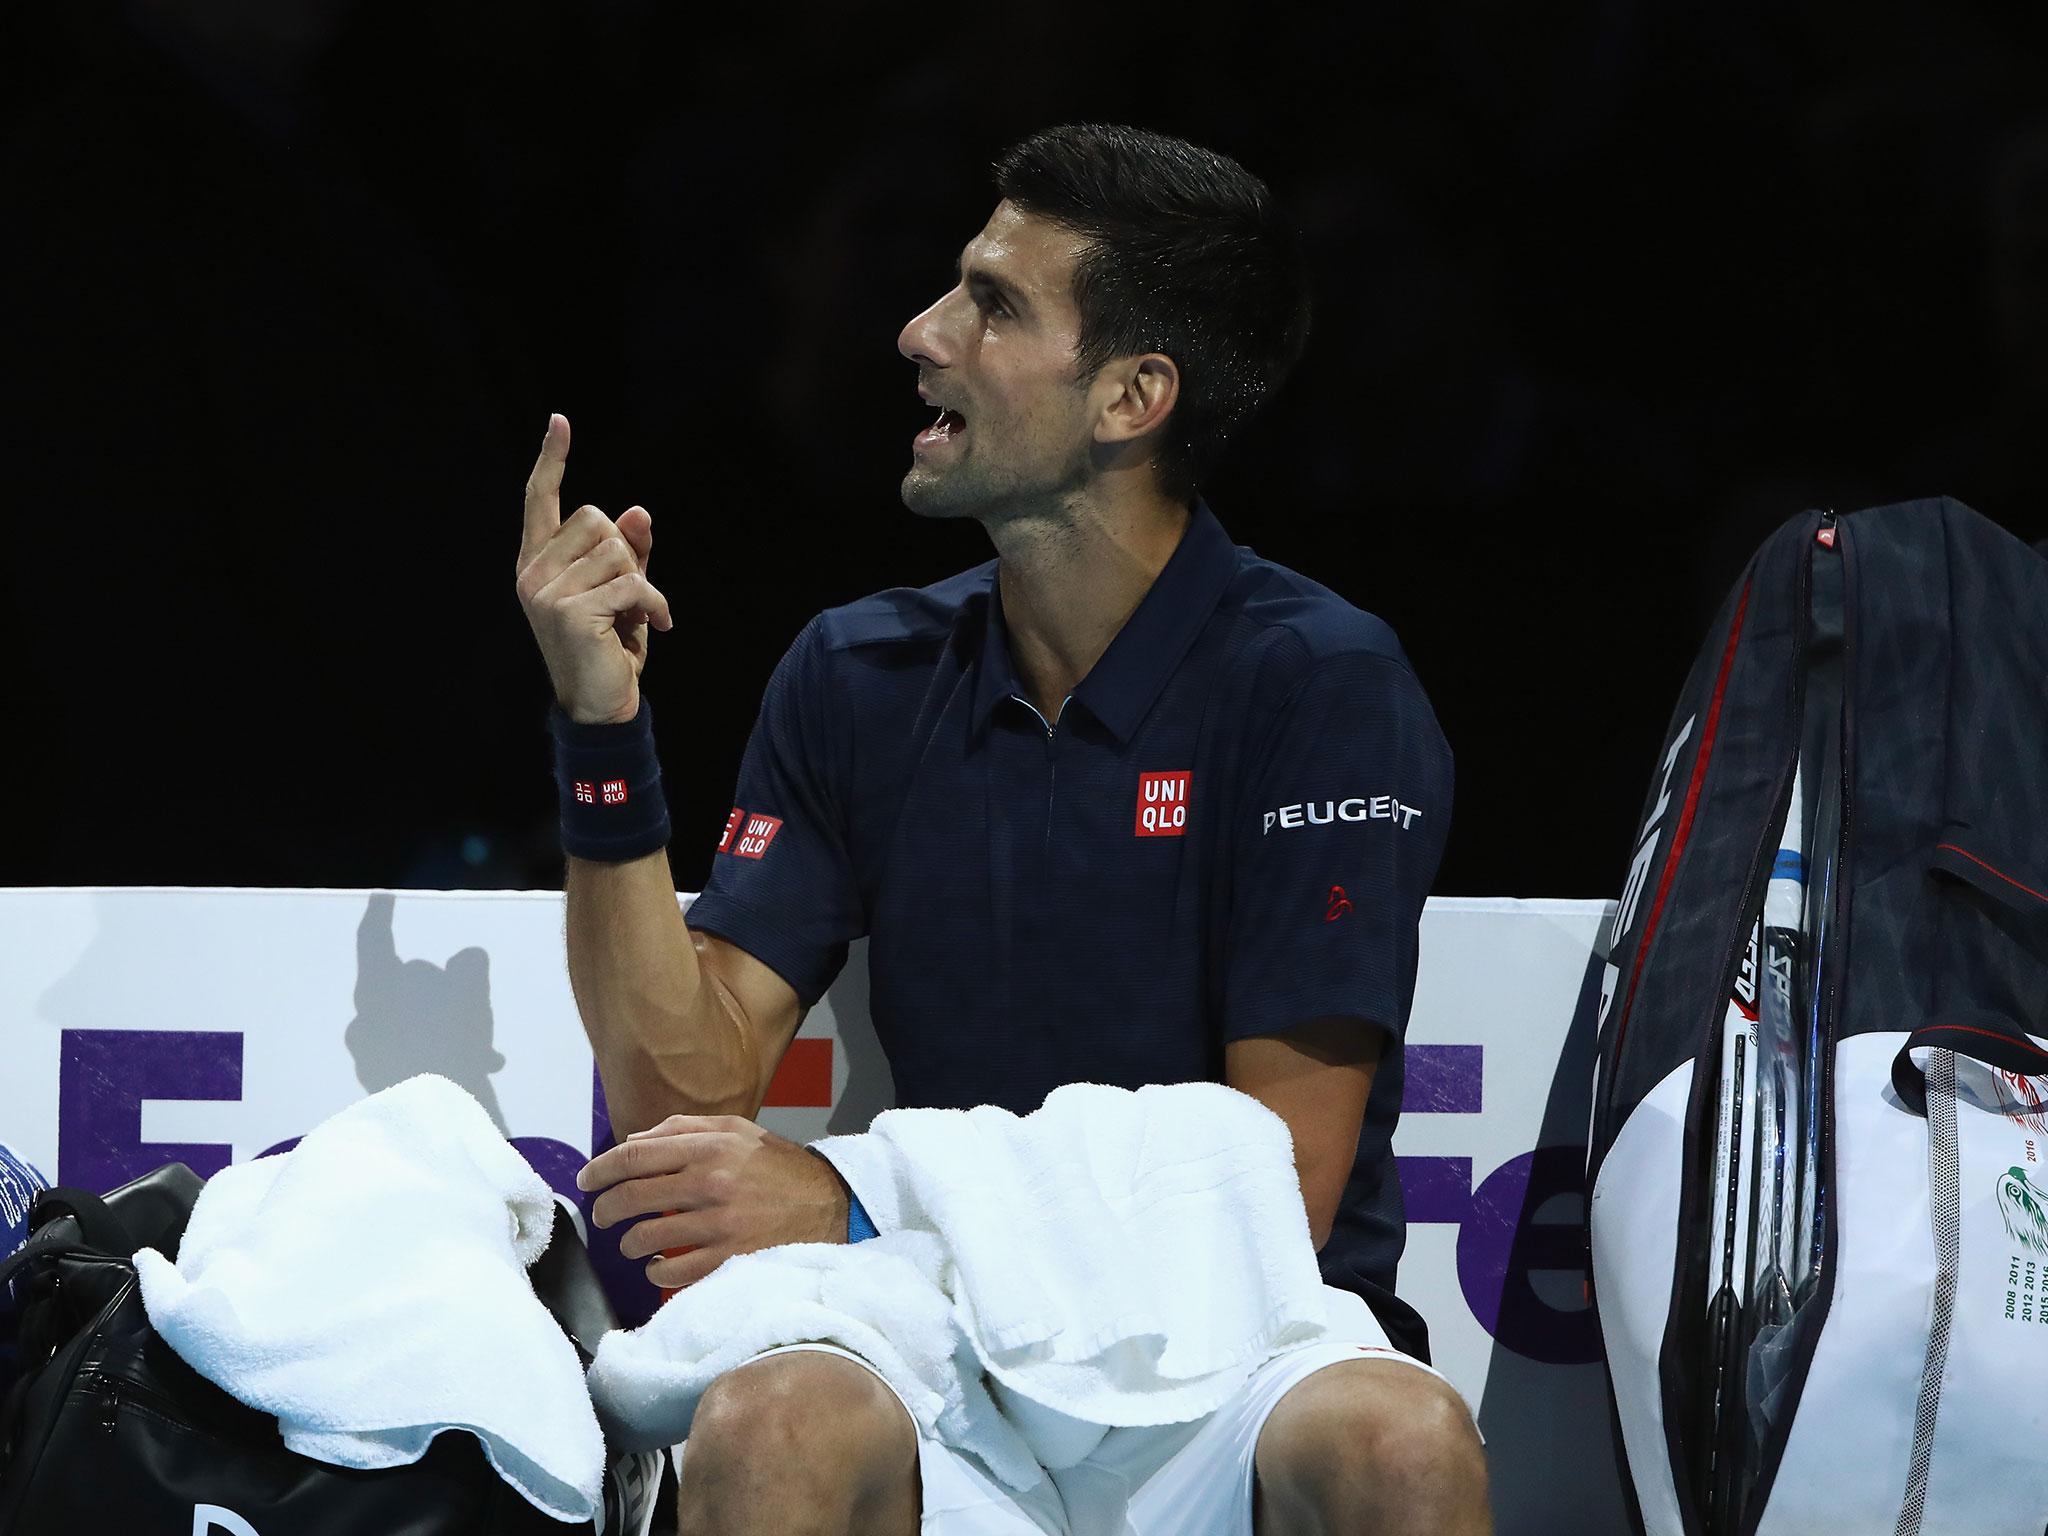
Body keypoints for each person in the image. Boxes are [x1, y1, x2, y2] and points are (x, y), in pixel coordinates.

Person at [516, 123, 1489, 1536]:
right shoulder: (857, 674)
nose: (920, 332)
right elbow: (685, 1089)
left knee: (1402, 1444)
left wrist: (854, 1199)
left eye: (993, 302)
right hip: (936, 1341)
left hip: (1236, 1340)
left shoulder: (1318, 682)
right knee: (773, 1419)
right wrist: (603, 731)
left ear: (1132, 396)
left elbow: (1282, 1173)